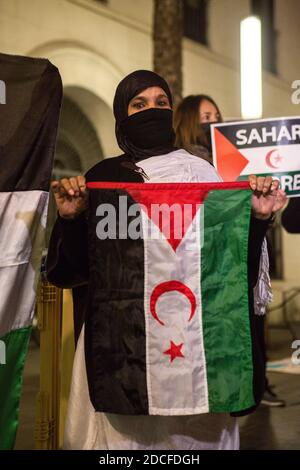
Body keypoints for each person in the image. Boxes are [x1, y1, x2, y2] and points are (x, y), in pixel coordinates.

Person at [46, 70, 286, 450]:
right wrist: (72, 219)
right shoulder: (103, 178)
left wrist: (258, 218)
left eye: (161, 102)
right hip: (121, 350)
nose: (152, 110)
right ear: (121, 114)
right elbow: (68, 272)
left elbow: (227, 262)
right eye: (139, 104)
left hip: (195, 350)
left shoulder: (203, 175)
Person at [174, 94, 286, 407]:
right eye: (204, 116)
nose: (212, 121)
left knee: (253, 318)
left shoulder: (236, 160)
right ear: (187, 123)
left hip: (245, 247)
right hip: (211, 259)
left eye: (216, 115)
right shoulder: (187, 166)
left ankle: (256, 384)